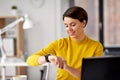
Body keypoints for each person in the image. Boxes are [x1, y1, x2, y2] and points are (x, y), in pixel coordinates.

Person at [26, 6, 103, 80]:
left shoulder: (96, 46)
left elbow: (91, 76)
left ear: (83, 23)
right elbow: (30, 60)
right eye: (66, 25)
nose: (69, 29)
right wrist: (48, 58)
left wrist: (66, 67)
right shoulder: (60, 44)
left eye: (73, 25)